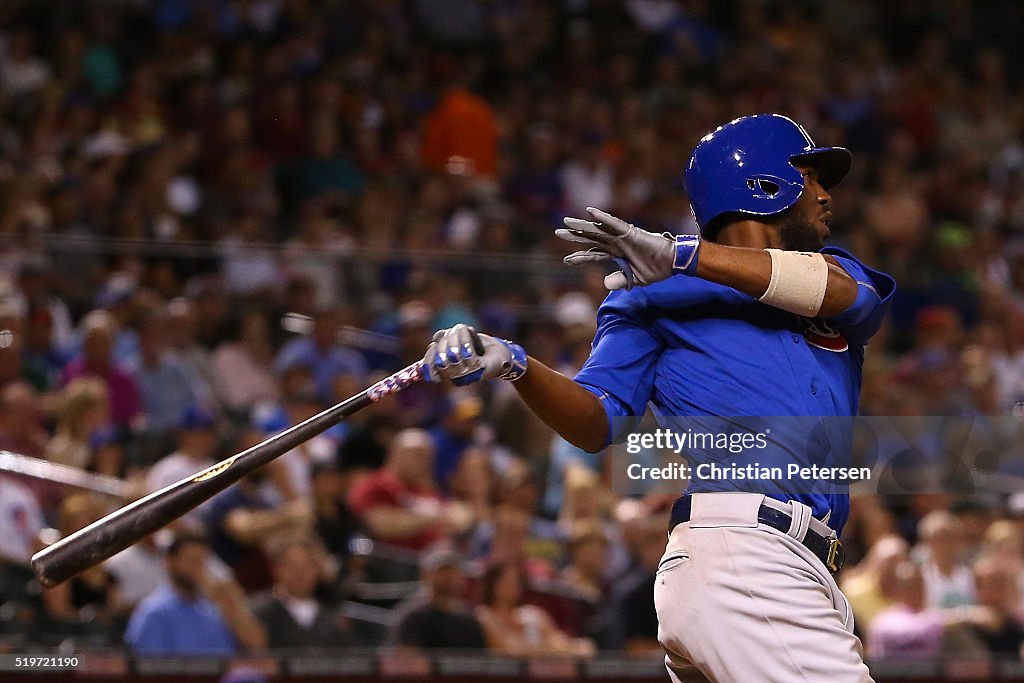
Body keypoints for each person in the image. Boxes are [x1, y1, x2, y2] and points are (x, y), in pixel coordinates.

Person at [424, 114, 895, 681]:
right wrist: (516, 365)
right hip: (744, 555)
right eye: (812, 175)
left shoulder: (832, 273)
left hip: (792, 570)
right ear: (766, 186)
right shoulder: (650, 299)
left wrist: (680, 255)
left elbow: (851, 298)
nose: (825, 195)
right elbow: (598, 421)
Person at [125, 531, 266, 654]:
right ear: (171, 562)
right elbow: (149, 668)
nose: (197, 568)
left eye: (202, 561)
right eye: (191, 560)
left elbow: (257, 644)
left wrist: (227, 605)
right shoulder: (154, 611)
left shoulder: (215, 606)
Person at [476, 562, 595, 657]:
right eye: (505, 583)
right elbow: (509, 651)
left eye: (515, 583)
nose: (511, 588)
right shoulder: (485, 615)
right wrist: (550, 650)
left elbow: (560, 643)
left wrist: (576, 646)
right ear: (492, 585)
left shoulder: (533, 614)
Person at [250, 536, 348, 649]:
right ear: (276, 569)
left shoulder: (334, 619)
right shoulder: (259, 612)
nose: (299, 574)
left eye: (306, 566)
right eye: (292, 566)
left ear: (317, 569)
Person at [389, 548, 486, 651]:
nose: (449, 578)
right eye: (443, 572)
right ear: (426, 575)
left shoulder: (470, 619)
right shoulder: (413, 617)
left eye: (454, 572)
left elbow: (477, 659)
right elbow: (404, 657)